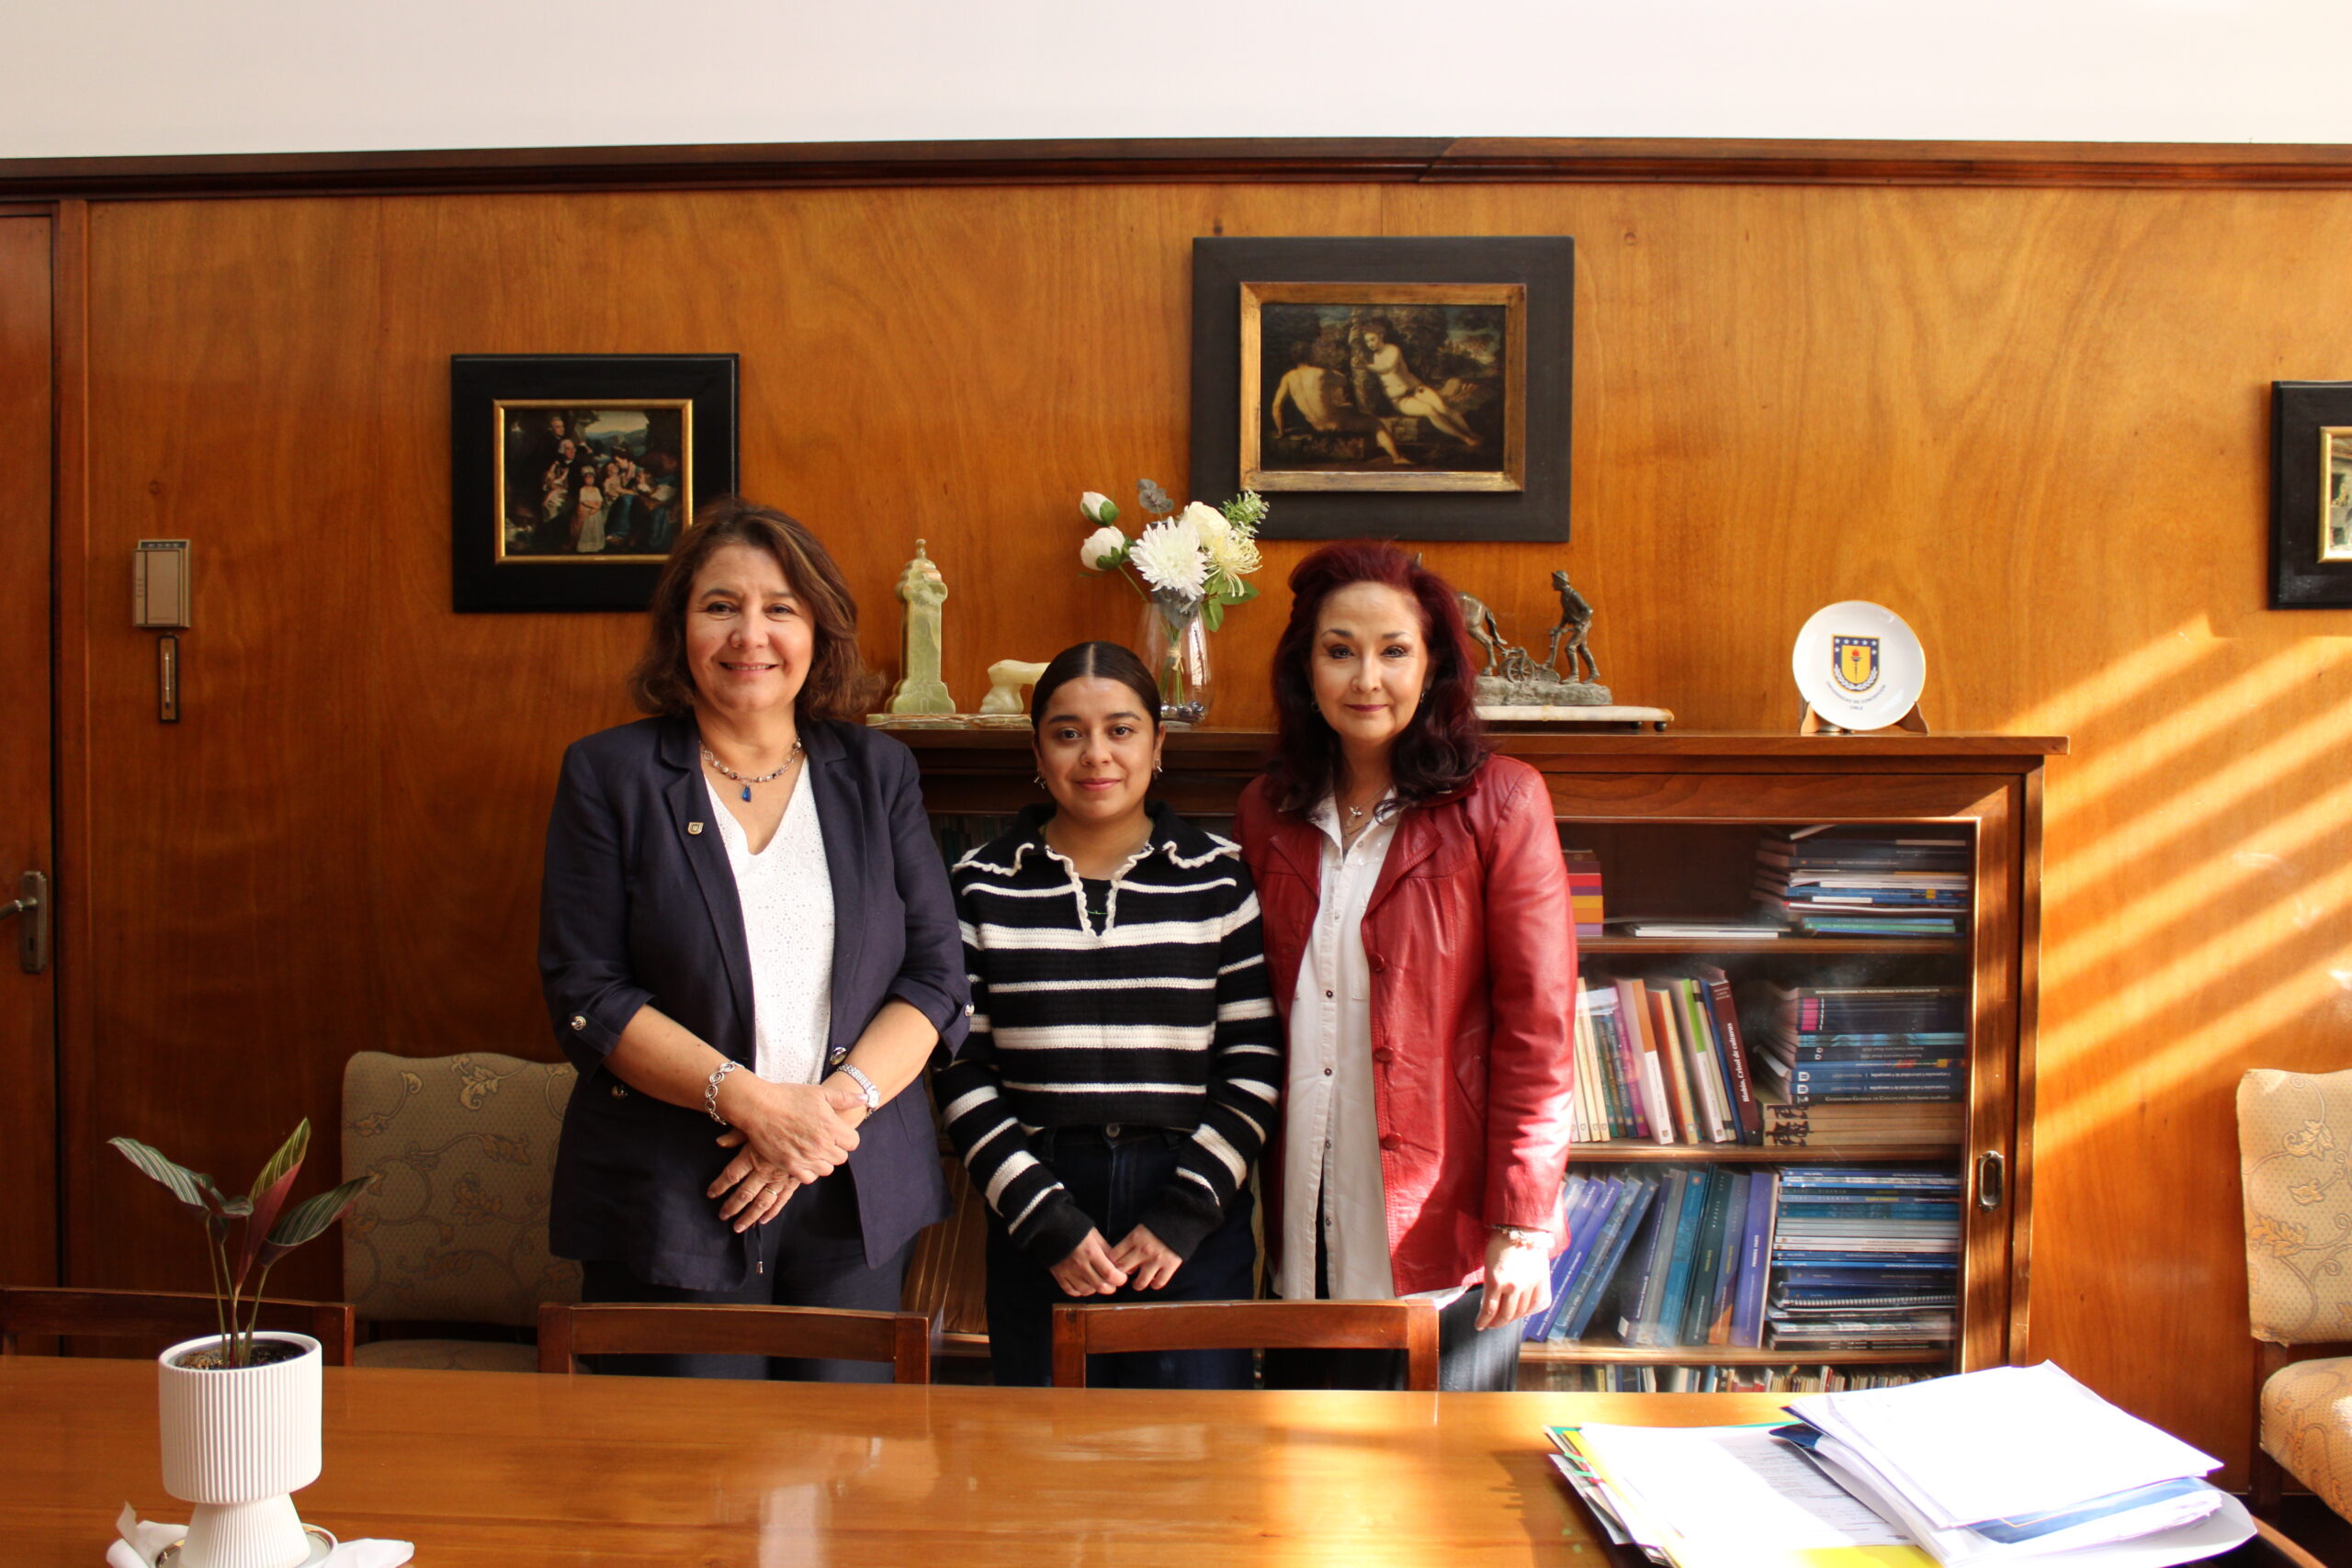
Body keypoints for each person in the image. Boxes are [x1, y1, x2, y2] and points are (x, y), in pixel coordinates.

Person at [538, 496, 968, 1381]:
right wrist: (752, 1104)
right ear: (680, 628)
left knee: (843, 1477)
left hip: (851, 1192)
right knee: (690, 1490)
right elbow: (589, 991)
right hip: (672, 1194)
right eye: (720, 606)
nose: (751, 635)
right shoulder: (610, 774)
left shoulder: (876, 772)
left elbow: (933, 975)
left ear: (817, 629)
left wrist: (821, 1116)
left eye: (780, 607)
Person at [1235, 543, 1576, 1392]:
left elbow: (1541, 1028)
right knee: (1299, 1482)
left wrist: (1524, 1221)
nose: (1366, 678)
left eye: (1394, 651)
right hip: (1301, 1208)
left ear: (1434, 666)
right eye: (1339, 649)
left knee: (1435, 1498)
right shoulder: (1267, 809)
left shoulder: (1503, 801)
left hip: (1445, 1224)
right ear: (1305, 667)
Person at [934, 640, 1280, 1387]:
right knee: (1047, 1461)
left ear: (1158, 745)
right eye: (1068, 733)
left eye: (1121, 730)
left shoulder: (1218, 878)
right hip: (1038, 1202)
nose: (1096, 755)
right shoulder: (980, 885)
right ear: (1037, 750)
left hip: (1191, 1204)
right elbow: (960, 1068)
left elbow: (1252, 1061)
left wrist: (1184, 1215)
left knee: (1189, 1459)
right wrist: (1042, 1217)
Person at [1269, 340, 1408, 465]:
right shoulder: (1321, 373)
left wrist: (1281, 432)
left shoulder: (1287, 378)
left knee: (1346, 407)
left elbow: (1276, 407)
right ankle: (1397, 457)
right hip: (1336, 423)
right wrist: (1327, 370)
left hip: (1316, 426)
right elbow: (1343, 380)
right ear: (1311, 355)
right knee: (1376, 423)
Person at [1358, 320, 1481, 447]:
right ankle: (1465, 438)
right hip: (1400, 399)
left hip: (1417, 389)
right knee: (1430, 411)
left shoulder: (1393, 349)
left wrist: (1366, 366)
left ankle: (1470, 432)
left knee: (1443, 408)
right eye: (1367, 341)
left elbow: (1388, 367)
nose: (1370, 344)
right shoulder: (1374, 357)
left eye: (1372, 339)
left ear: (1381, 335)